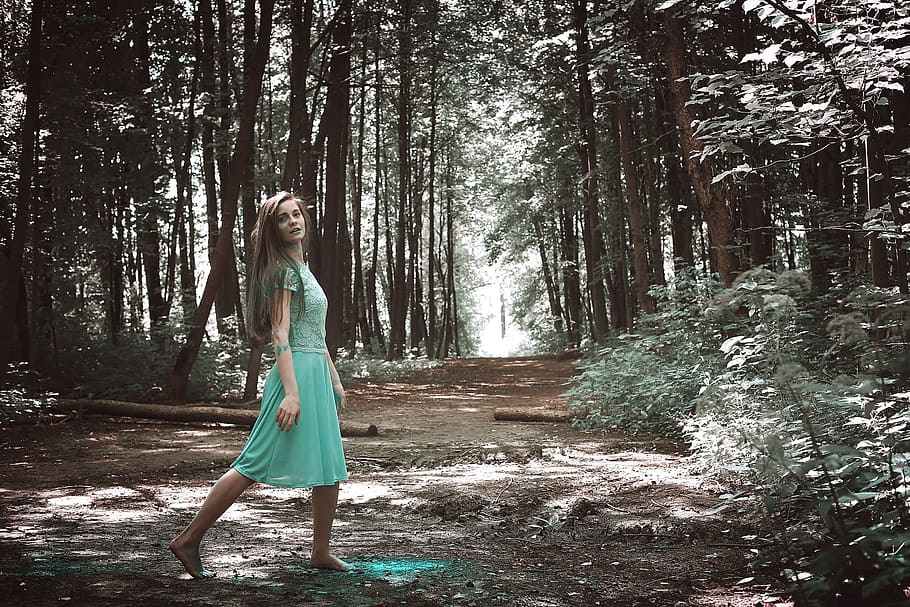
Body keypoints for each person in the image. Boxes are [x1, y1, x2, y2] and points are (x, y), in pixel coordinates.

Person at [170, 191, 349, 578]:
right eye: (283, 219)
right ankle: (188, 540)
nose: (292, 222)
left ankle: (320, 551)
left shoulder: (304, 268)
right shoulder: (283, 271)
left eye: (296, 214)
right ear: (274, 229)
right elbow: (280, 334)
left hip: (315, 373)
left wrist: (334, 381)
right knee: (252, 463)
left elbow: (314, 333)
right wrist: (292, 392)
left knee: (330, 467)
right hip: (295, 376)